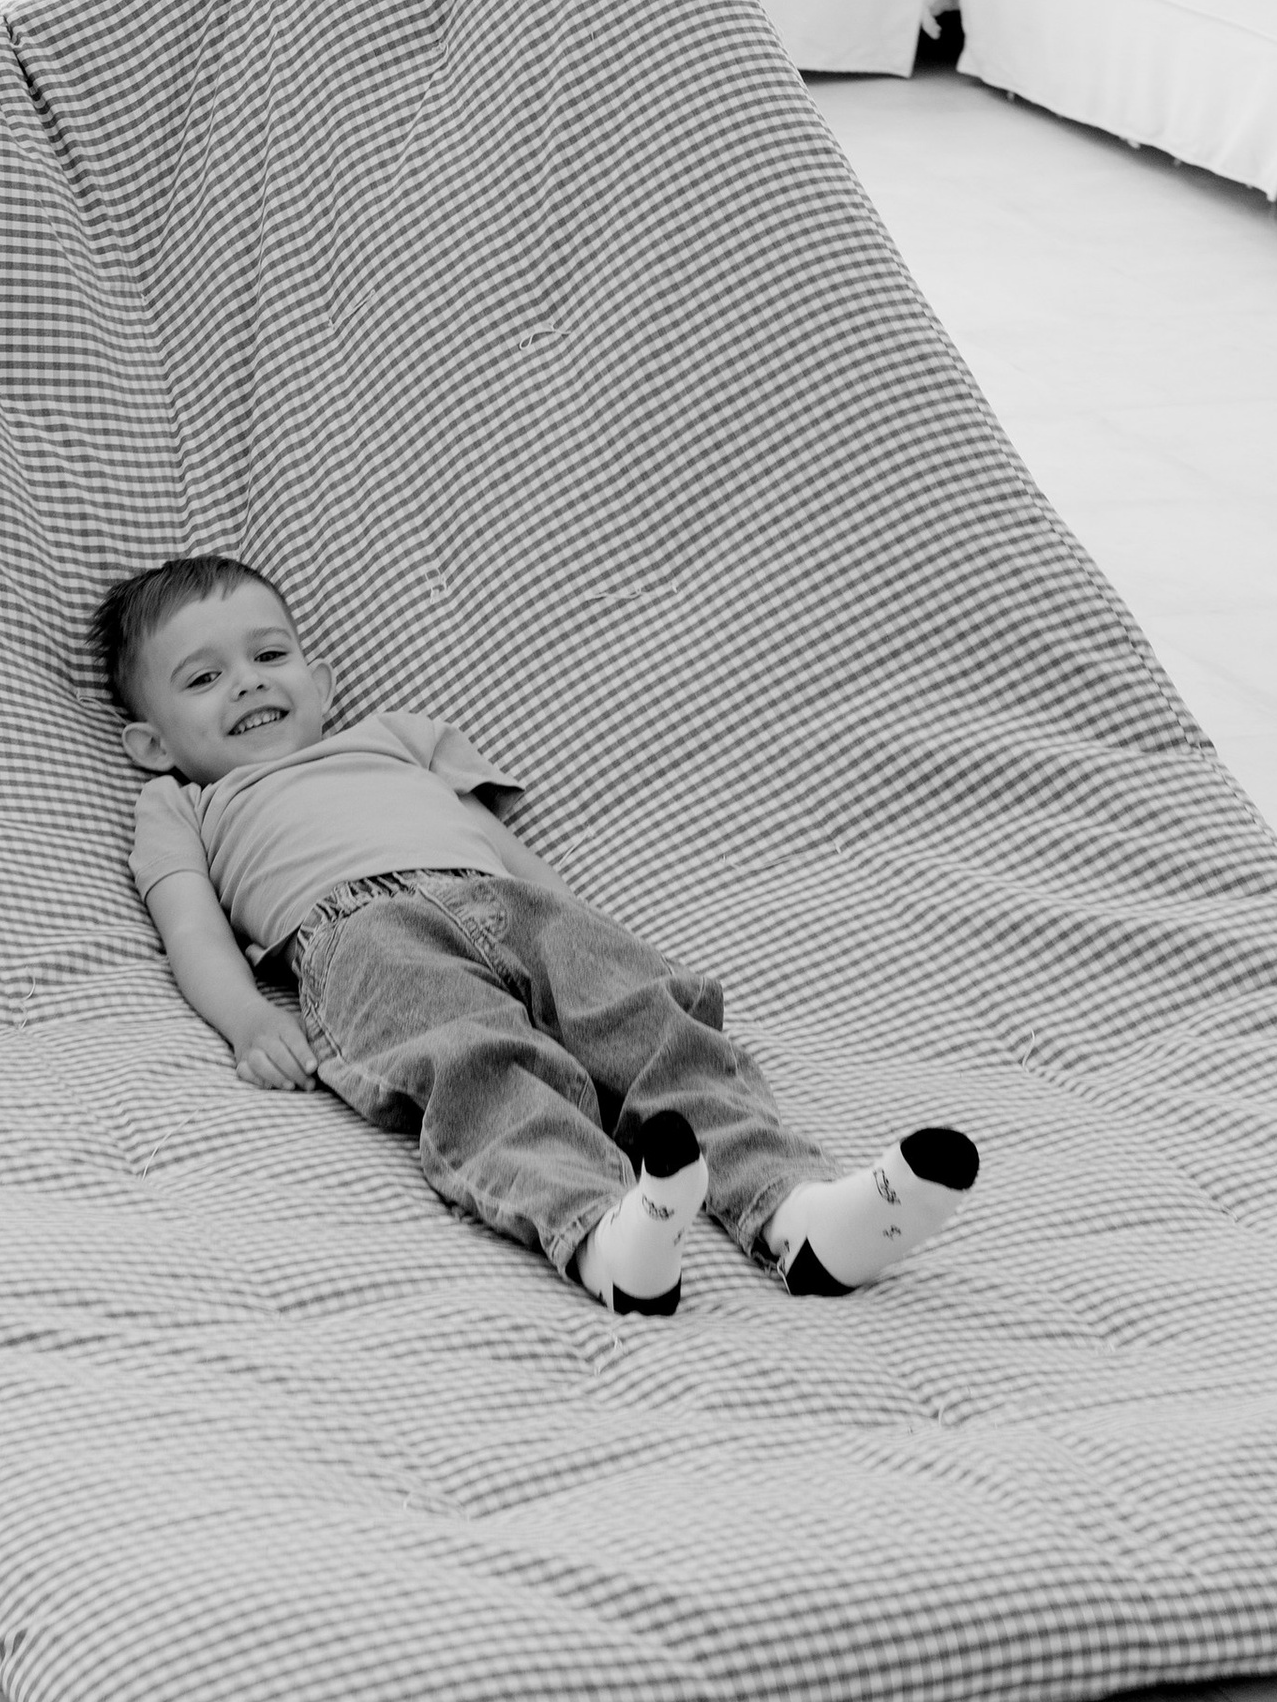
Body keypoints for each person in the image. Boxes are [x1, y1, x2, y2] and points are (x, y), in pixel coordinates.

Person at [97, 555, 980, 1316]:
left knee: (655, 1028)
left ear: (322, 683)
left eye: (269, 655)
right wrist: (247, 1020)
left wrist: (598, 941)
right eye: (203, 679)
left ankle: (797, 1211)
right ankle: (603, 1232)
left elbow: (501, 845)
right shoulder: (183, 803)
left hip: (506, 901)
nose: (248, 681)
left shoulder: (397, 737)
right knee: (477, 1063)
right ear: (148, 741)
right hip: (359, 935)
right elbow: (190, 928)